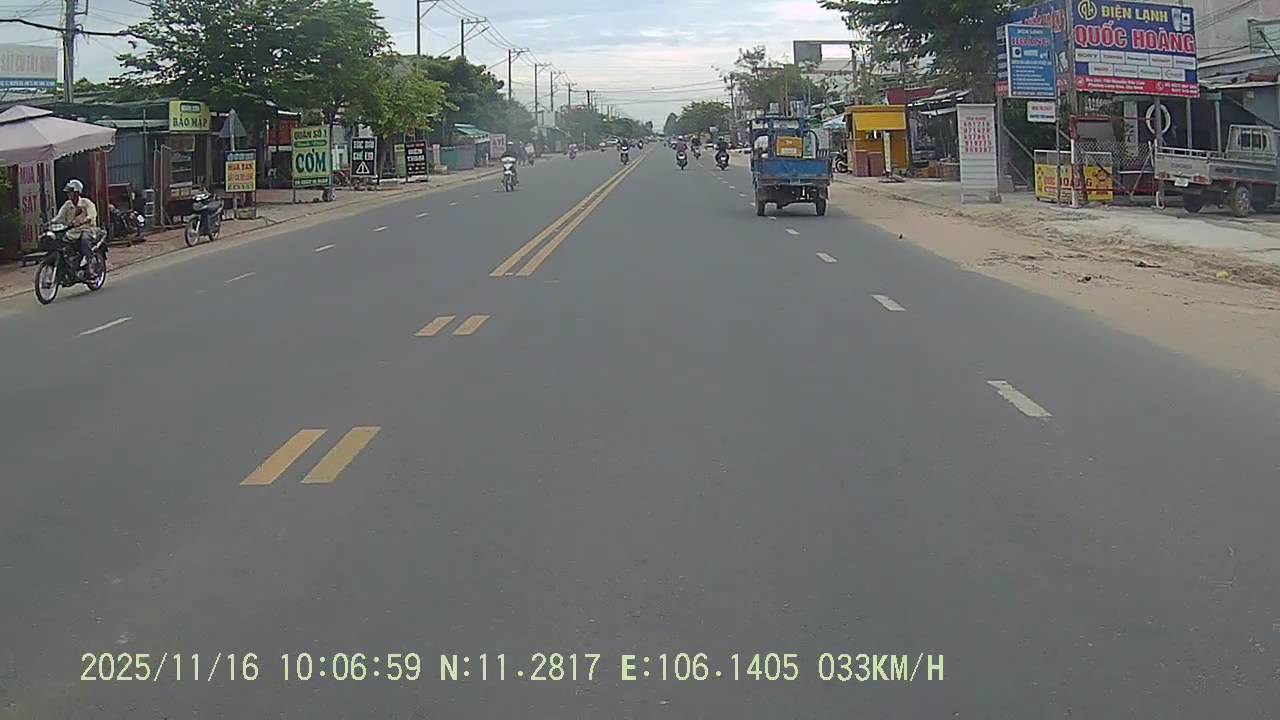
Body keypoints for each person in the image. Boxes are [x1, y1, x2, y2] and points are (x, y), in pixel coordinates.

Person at [51, 179, 98, 275]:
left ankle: (89, 264)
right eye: (68, 192)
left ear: (77, 193)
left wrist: (82, 221)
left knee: (85, 240)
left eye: (70, 192)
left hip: (87, 229)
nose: (68, 194)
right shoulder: (67, 204)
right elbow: (59, 217)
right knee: (60, 240)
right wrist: (50, 223)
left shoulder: (86, 203)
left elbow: (92, 215)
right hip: (72, 232)